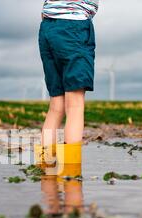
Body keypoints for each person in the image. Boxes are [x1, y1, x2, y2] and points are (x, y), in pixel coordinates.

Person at [35, 0, 99, 172]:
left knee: (56, 106)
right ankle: (70, 173)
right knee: (75, 105)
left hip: (47, 29)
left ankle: (45, 170)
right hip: (74, 28)